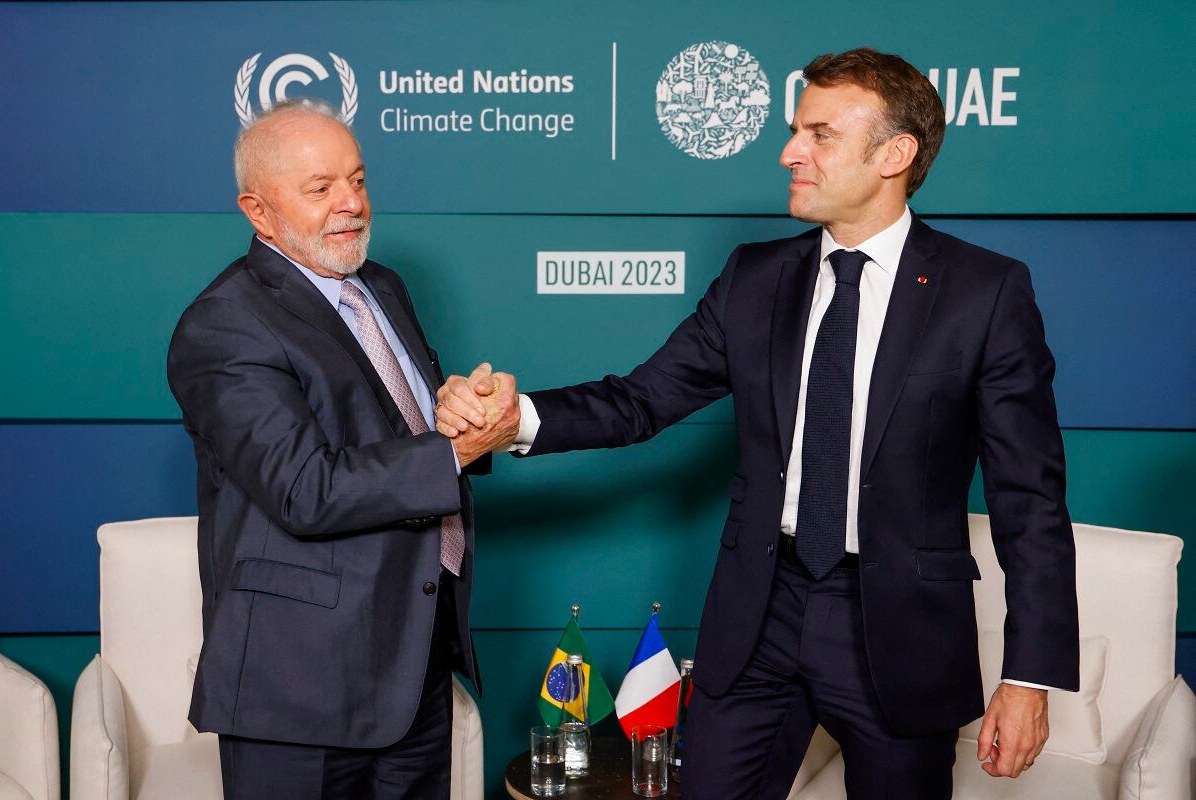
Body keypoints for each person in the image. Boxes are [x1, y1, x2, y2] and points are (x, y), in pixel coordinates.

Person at [437, 48, 1078, 799]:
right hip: (757, 615)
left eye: (820, 134)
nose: (789, 151)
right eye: (795, 130)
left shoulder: (986, 291)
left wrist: (1028, 676)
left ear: (894, 155)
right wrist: (516, 417)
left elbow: (1029, 501)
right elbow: (642, 399)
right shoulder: (756, 276)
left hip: (899, 630)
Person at [166, 99, 520, 799]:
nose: (351, 204)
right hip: (302, 689)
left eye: (357, 181)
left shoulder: (380, 286)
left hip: (411, 659)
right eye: (320, 188)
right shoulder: (225, 325)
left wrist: (461, 418)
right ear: (258, 211)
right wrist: (452, 453)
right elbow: (305, 489)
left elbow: (403, 434)